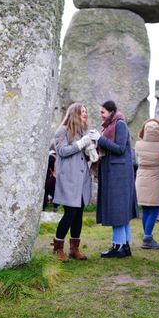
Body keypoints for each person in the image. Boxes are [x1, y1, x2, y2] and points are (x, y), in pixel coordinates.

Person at [95, 100, 138, 258]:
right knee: (120, 209)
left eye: (103, 112)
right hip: (115, 171)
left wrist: (100, 139)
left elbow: (120, 148)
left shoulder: (119, 124)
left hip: (118, 173)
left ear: (111, 112)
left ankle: (118, 246)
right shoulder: (110, 125)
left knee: (118, 209)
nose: (101, 115)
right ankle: (124, 245)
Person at [51, 103, 93, 262]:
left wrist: (91, 152)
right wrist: (80, 144)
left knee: (79, 214)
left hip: (81, 180)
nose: (85, 114)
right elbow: (62, 151)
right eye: (83, 112)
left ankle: (74, 249)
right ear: (74, 113)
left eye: (86, 112)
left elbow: (80, 156)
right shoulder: (63, 130)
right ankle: (58, 248)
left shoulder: (82, 131)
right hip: (69, 179)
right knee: (70, 213)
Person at [134, 119, 159, 249]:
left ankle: (147, 236)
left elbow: (136, 156)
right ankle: (147, 237)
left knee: (146, 209)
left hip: (141, 177)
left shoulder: (138, 144)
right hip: (156, 178)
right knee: (155, 208)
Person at [43, 147, 58, 212]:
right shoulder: (56, 158)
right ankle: (55, 207)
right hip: (55, 177)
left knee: (46, 192)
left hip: (49, 177)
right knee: (54, 192)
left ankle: (44, 207)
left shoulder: (49, 157)